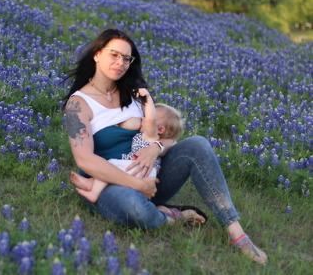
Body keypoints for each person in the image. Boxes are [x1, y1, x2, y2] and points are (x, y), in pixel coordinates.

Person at [62, 28, 268, 264]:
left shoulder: (134, 93)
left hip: (150, 177)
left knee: (198, 144)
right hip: (108, 184)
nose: (120, 63)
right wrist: (138, 185)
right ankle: (170, 216)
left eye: (126, 58)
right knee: (134, 208)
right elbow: (85, 160)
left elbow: (166, 135)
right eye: (114, 55)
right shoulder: (78, 104)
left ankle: (236, 232)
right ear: (97, 54)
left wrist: (155, 148)